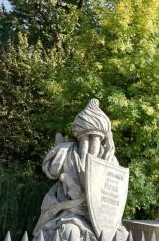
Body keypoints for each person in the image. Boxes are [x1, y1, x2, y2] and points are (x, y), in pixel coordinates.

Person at [33, 99, 128, 241]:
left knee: (121, 236)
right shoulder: (67, 151)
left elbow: (114, 195)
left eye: (96, 138)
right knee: (70, 234)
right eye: (86, 137)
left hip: (100, 217)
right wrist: (58, 151)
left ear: (102, 138)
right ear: (79, 135)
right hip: (70, 213)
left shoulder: (109, 160)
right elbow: (51, 172)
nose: (91, 142)